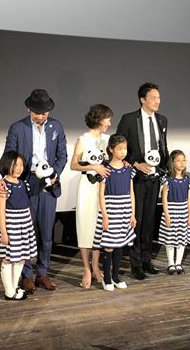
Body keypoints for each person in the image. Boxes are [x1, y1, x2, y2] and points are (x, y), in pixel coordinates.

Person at [0, 89, 67, 294]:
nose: (41, 116)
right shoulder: (18, 128)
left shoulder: (56, 126)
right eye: (37, 113)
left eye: (45, 113)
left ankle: (42, 273)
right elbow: (8, 155)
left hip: (48, 183)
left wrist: (54, 175)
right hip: (25, 182)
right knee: (25, 231)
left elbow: (62, 155)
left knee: (46, 231)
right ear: (29, 109)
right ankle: (26, 275)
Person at [116, 83, 169, 280]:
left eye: (159, 97)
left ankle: (147, 260)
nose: (157, 101)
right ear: (142, 99)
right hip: (137, 177)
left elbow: (163, 146)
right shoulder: (129, 119)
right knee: (136, 221)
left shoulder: (162, 120)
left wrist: (164, 169)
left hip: (155, 177)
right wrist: (136, 164)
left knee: (149, 221)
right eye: (153, 97)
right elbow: (120, 146)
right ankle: (136, 264)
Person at [69, 104, 113, 289]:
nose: (109, 123)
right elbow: (73, 165)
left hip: (102, 187)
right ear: (99, 119)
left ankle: (96, 266)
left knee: (98, 227)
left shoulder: (107, 140)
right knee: (85, 225)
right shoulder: (84, 139)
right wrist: (93, 166)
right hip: (87, 187)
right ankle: (86, 268)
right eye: (107, 119)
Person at [93, 134, 137, 291]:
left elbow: (131, 193)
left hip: (125, 209)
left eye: (125, 148)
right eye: (119, 149)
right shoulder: (105, 170)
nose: (123, 152)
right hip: (111, 209)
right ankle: (107, 279)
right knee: (109, 245)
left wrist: (132, 214)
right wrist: (105, 216)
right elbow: (101, 194)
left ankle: (116, 277)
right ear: (111, 149)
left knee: (120, 245)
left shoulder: (128, 169)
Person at [0, 151, 37, 301]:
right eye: (15, 165)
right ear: (7, 165)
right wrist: (4, 233)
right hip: (11, 225)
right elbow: (1, 211)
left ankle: (14, 287)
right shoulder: (4, 185)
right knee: (8, 258)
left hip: (24, 224)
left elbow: (26, 205)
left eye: (21, 165)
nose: (19, 168)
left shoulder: (23, 184)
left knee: (21, 258)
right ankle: (9, 291)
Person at [157, 150, 190, 275]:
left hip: (183, 212)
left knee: (181, 239)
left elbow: (188, 198)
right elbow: (164, 198)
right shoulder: (167, 179)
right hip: (171, 211)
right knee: (170, 239)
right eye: (178, 161)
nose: (181, 163)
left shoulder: (187, 179)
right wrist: (167, 215)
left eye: (184, 160)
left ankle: (178, 263)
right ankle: (170, 264)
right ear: (172, 163)